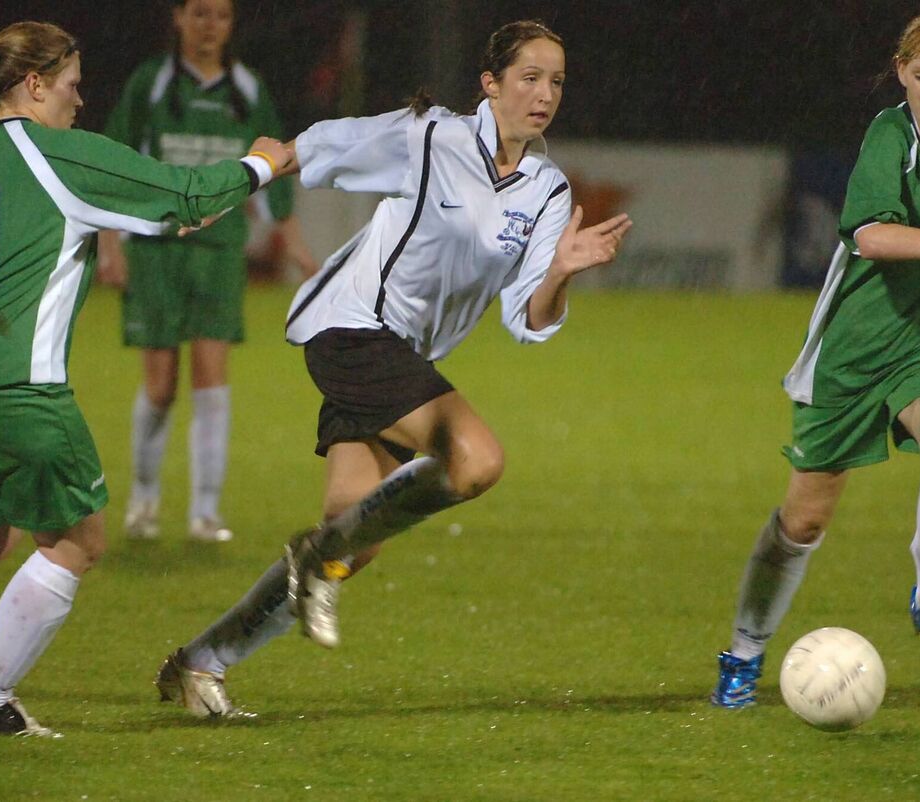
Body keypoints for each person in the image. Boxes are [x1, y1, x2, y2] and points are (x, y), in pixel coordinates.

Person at [151, 19, 632, 718]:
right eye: (529, 77)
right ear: (489, 83)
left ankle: (202, 661)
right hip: (351, 329)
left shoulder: (548, 192)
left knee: (351, 534)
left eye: (556, 81)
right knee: (476, 461)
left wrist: (559, 270)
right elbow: (314, 149)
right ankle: (315, 566)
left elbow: (528, 319)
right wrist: (234, 182)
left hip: (401, 359)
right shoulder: (430, 137)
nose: (544, 94)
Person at [0, 21, 287, 735]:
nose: (80, 101)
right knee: (77, 542)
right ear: (34, 85)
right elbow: (183, 194)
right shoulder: (56, 156)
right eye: (72, 85)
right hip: (19, 391)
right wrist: (261, 166)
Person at [710, 7, 920, 708]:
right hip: (856, 346)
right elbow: (874, 238)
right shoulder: (892, 136)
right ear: (901, 75)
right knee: (806, 517)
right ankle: (743, 651)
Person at [97, 0, 316, 544]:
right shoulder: (151, 83)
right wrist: (108, 241)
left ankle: (205, 512)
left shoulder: (247, 89)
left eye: (219, 15)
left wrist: (293, 244)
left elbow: (274, 166)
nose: (209, 25)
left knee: (212, 378)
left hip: (219, 251)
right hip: (156, 248)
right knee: (162, 384)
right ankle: (144, 501)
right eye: (198, 13)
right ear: (177, 18)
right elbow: (112, 157)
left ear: (231, 23)